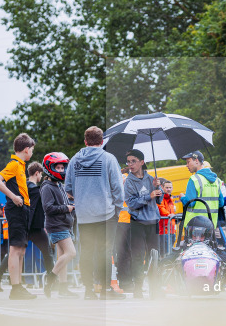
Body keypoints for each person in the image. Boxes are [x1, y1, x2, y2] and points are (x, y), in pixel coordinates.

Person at [64, 126, 124, 300]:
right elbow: (118, 189)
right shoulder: (109, 159)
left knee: (87, 253)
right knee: (105, 252)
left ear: (85, 141)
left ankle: (89, 291)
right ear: (102, 141)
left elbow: (68, 187)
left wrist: (82, 198)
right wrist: (117, 209)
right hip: (106, 214)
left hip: (84, 216)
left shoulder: (75, 160)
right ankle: (105, 290)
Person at [0, 163, 56, 296]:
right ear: (38, 173)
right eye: (41, 174)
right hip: (33, 226)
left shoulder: (25, 186)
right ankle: (51, 281)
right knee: (46, 252)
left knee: (14, 253)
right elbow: (32, 208)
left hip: (27, 225)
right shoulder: (34, 188)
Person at [0, 133, 37, 300]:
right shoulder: (14, 164)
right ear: (26, 149)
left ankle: (17, 286)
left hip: (22, 208)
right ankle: (15, 287)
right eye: (31, 150)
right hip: (16, 208)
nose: (32, 153)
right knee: (15, 249)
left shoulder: (20, 165)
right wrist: (13, 196)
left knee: (21, 250)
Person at [123, 149, 161, 299]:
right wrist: (149, 195)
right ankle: (137, 288)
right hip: (138, 223)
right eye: (129, 161)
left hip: (153, 222)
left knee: (155, 256)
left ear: (142, 162)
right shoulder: (129, 182)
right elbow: (132, 204)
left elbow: (158, 200)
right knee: (138, 257)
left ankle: (154, 288)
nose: (130, 164)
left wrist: (158, 188)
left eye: (133, 161)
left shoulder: (151, 179)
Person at [40, 152, 79, 298]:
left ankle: (63, 288)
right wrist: (66, 208)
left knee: (62, 257)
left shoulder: (58, 185)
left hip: (64, 224)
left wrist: (71, 205)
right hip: (57, 226)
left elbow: (63, 203)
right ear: (50, 168)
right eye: (58, 167)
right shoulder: (47, 187)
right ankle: (51, 279)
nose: (61, 170)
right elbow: (48, 208)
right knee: (71, 253)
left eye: (63, 168)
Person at [180, 151, 224, 234]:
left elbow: (190, 203)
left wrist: (182, 197)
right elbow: (221, 203)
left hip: (194, 226)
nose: (186, 165)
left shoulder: (194, 179)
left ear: (196, 160)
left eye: (188, 162)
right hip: (211, 225)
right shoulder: (217, 181)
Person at [157, 178, 177, 254]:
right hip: (164, 231)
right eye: (167, 187)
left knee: (170, 252)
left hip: (171, 230)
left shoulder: (170, 198)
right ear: (163, 188)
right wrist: (169, 215)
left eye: (170, 187)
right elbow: (161, 208)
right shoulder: (161, 198)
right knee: (165, 253)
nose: (168, 189)